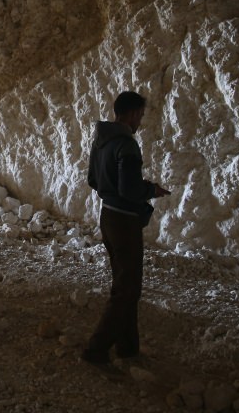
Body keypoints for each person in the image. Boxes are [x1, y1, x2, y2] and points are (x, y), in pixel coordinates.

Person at [82, 91, 169, 365]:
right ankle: (96, 349)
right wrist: (151, 190)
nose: (140, 121)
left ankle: (128, 348)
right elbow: (130, 189)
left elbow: (93, 179)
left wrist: (113, 191)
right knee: (127, 289)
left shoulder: (101, 140)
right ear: (131, 114)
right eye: (140, 116)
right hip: (124, 222)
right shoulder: (126, 145)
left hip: (107, 215)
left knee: (125, 284)